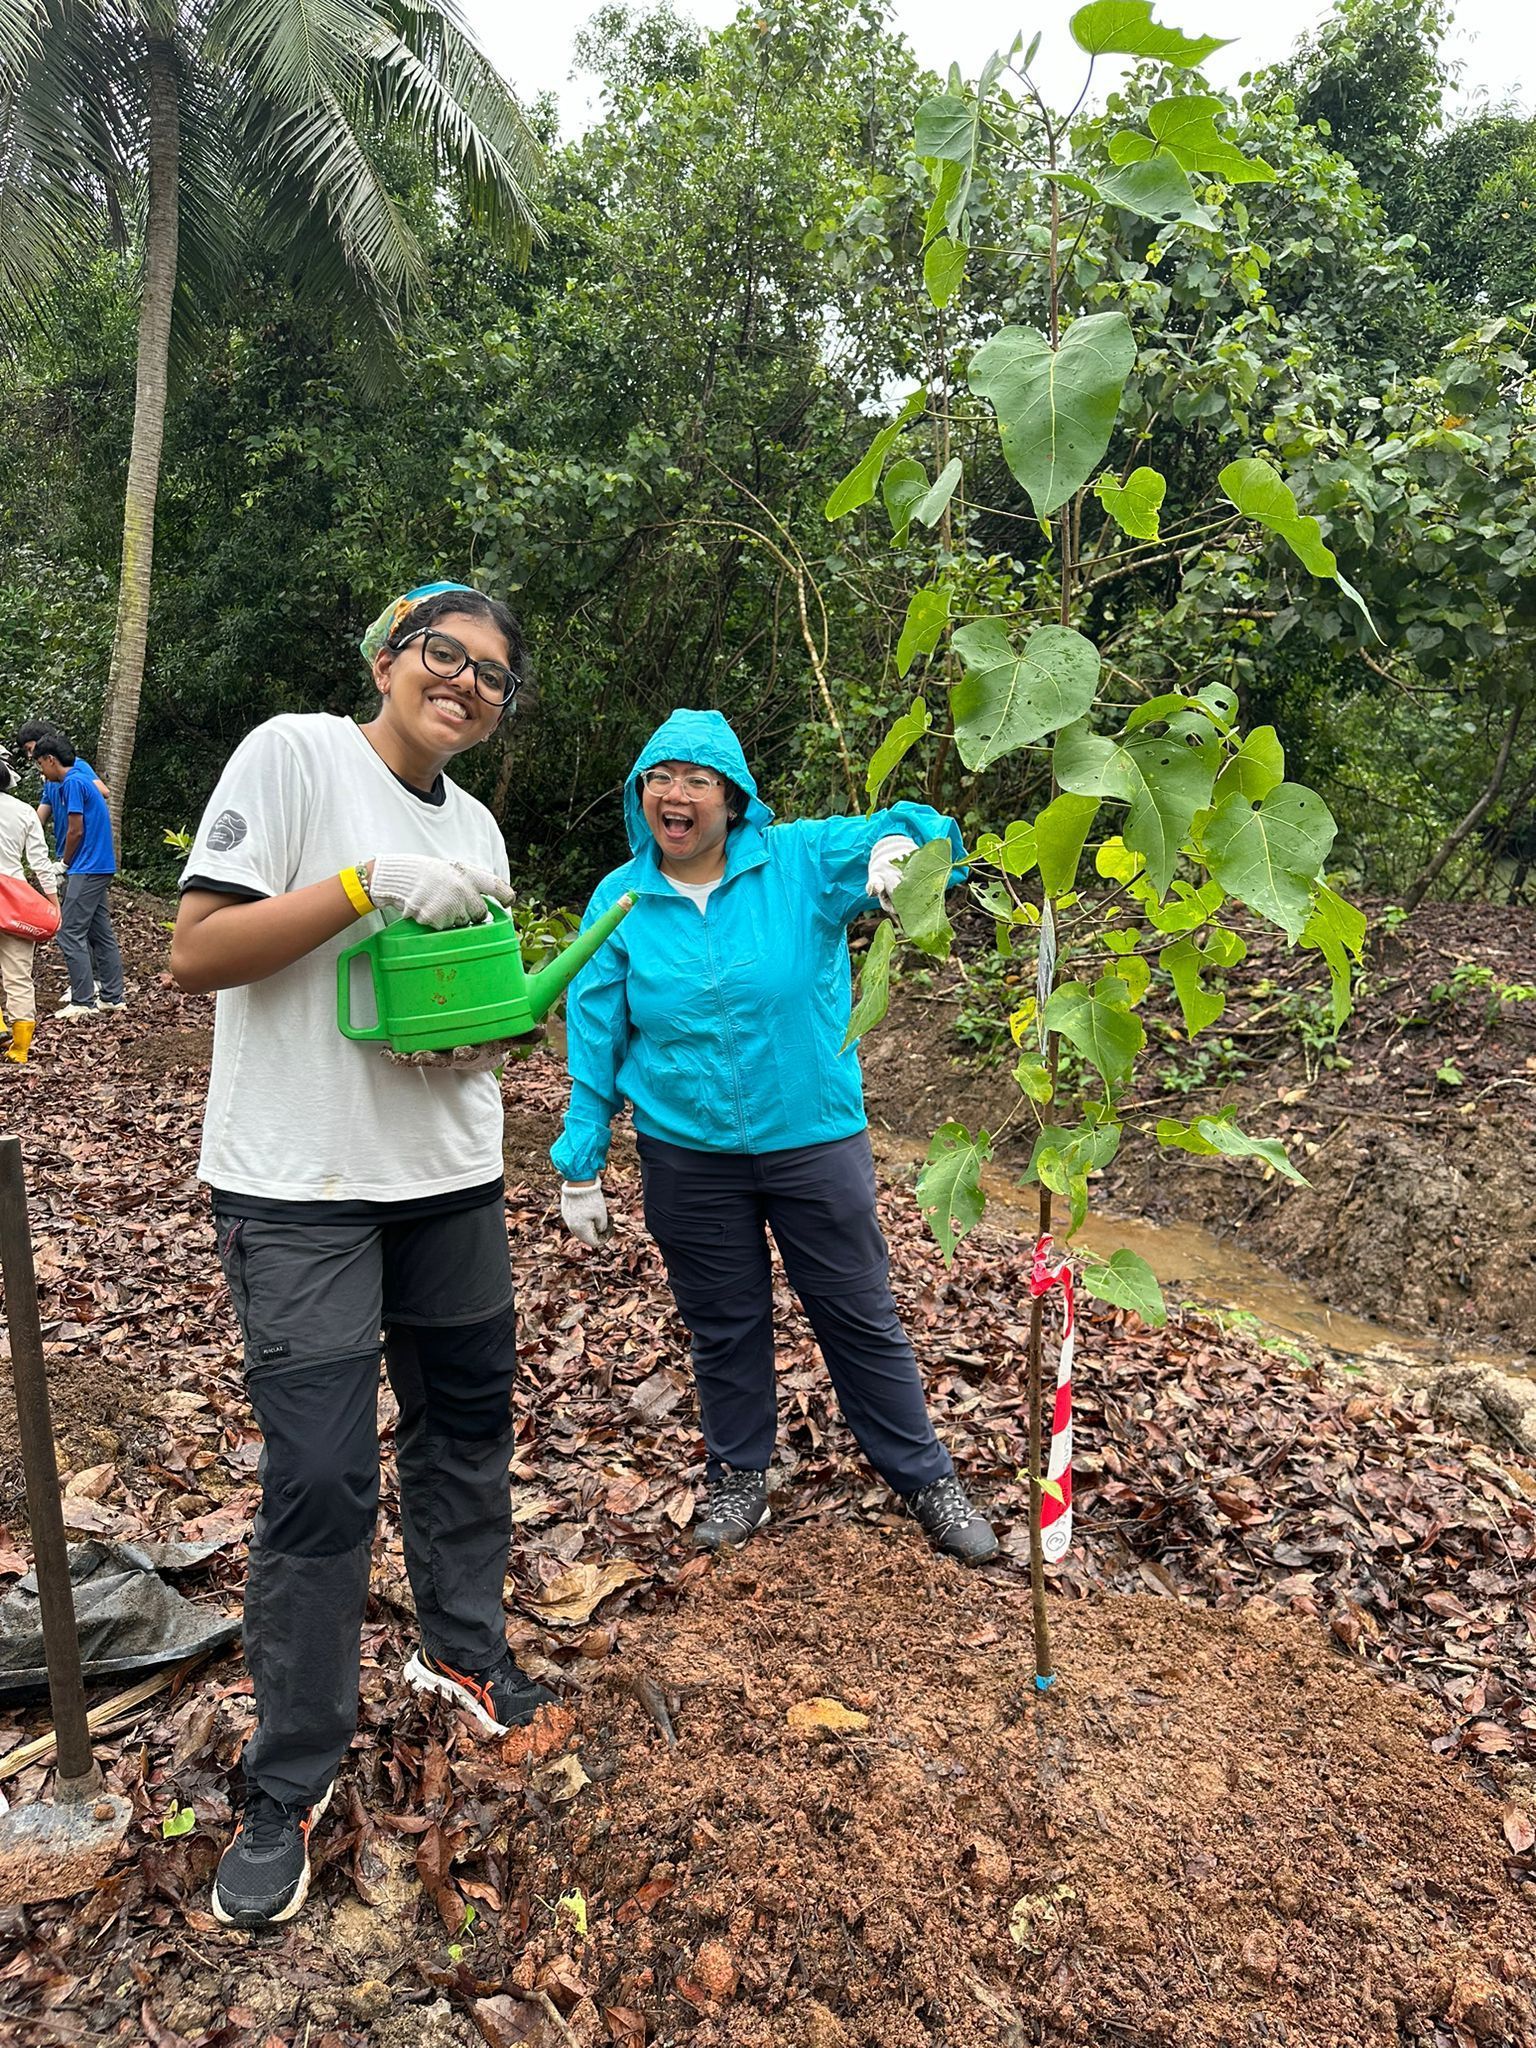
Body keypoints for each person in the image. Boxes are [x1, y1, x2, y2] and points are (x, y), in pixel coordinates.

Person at [169, 580, 553, 1932]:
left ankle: (464, 1653)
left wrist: (487, 1032)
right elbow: (196, 954)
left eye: (492, 677)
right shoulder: (294, 755)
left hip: (448, 1174)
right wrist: (359, 881)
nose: (464, 683)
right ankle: (291, 1778)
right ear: (392, 655)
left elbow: (464, 1012)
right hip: (300, 1183)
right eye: (445, 654)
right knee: (323, 1477)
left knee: (464, 1428)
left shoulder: (485, 825)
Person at [552, 709, 999, 1568]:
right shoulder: (621, 898)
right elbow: (595, 1021)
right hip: (687, 1152)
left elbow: (932, 836)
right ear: (639, 794)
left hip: (813, 1139)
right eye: (659, 778)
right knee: (722, 1323)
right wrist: (582, 1157)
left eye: (697, 781)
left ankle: (925, 1478)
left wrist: (900, 852)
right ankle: (739, 1476)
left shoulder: (799, 860)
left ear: (732, 798)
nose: (673, 795)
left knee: (859, 1314)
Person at [31, 736, 126, 1020]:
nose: (40, 771)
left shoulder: (71, 783)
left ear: (50, 759)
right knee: (100, 932)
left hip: (87, 866)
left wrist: (63, 864)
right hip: (98, 864)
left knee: (69, 931)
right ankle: (112, 997)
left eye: (39, 764)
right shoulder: (81, 780)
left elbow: (75, 830)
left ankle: (83, 1000)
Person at [0, 750, 59, 1063]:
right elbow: (39, 861)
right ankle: (20, 1050)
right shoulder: (24, 812)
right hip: (14, 898)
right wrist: (52, 901)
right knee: (18, 974)